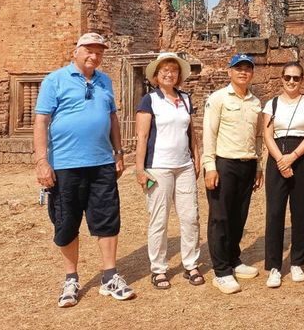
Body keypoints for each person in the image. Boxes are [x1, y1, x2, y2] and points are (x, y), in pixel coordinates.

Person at [33, 32, 135, 307]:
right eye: (89, 50)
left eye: (99, 52)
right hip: (65, 165)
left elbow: (113, 117)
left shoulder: (104, 81)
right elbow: (42, 121)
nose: (94, 56)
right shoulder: (55, 80)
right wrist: (42, 161)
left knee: (107, 219)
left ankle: (110, 275)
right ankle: (70, 278)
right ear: (75, 52)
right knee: (66, 222)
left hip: (102, 162)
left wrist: (118, 152)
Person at [135, 52, 203, 289]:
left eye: (173, 69)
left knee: (190, 217)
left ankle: (191, 264)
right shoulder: (149, 100)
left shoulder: (185, 98)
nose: (169, 73)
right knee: (159, 219)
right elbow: (142, 136)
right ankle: (159, 269)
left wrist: (197, 155)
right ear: (156, 74)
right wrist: (140, 169)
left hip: (183, 166)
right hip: (158, 167)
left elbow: (190, 131)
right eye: (164, 69)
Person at [202, 53, 263, 294]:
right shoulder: (218, 99)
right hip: (224, 163)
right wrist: (210, 166)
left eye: (247, 68)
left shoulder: (255, 102)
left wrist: (258, 165)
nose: (243, 72)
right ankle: (221, 270)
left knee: (239, 215)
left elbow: (258, 137)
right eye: (238, 68)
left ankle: (233, 258)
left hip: (247, 163)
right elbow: (209, 132)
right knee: (220, 217)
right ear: (229, 71)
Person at [262, 62, 304, 288]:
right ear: (281, 79)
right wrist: (280, 160)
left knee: (300, 211)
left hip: (302, 155)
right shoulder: (272, 104)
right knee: (275, 212)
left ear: (302, 80)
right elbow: (267, 136)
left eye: (296, 78)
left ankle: (296, 261)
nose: (292, 82)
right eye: (287, 78)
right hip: (277, 155)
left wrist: (292, 157)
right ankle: (274, 266)